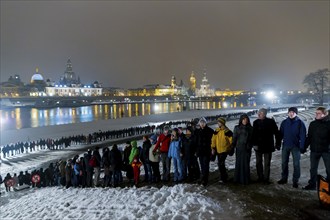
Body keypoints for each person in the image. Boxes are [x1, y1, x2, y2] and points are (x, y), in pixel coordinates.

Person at [277, 107, 306, 188]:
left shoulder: (300, 123)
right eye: (290, 112)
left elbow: (303, 135)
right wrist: (278, 144)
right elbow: (281, 134)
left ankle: (295, 181)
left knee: (296, 164)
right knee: (284, 163)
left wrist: (302, 146)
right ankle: (284, 178)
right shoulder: (284, 122)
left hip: (295, 146)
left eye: (293, 112)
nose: (291, 113)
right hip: (286, 145)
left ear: (296, 113)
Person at [302, 107, 330, 190]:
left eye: (318, 113)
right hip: (314, 150)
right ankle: (312, 184)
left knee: (329, 169)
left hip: (326, 151)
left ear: (324, 114)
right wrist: (304, 147)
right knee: (313, 169)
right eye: (316, 113)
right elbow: (309, 137)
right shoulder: (313, 124)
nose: (316, 115)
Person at [252, 108, 280, 184]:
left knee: (267, 163)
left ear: (264, 114)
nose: (258, 114)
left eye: (260, 113)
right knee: (258, 163)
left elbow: (277, 133)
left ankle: (266, 179)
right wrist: (254, 144)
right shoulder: (255, 122)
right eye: (258, 113)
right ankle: (260, 177)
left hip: (268, 146)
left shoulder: (271, 122)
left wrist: (277, 144)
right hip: (258, 146)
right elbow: (253, 135)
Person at [232, 114, 253, 185]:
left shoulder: (251, 128)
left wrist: (249, 145)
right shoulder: (237, 128)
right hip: (239, 148)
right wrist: (233, 146)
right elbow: (234, 138)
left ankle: (245, 179)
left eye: (246, 119)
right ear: (241, 120)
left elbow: (252, 139)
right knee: (239, 163)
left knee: (246, 164)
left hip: (247, 149)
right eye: (243, 119)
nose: (245, 121)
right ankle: (238, 179)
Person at [211, 117, 233, 183]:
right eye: (218, 122)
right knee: (220, 164)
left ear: (222, 123)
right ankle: (224, 176)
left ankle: (224, 178)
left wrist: (230, 148)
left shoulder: (227, 131)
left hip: (224, 151)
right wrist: (213, 148)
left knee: (221, 164)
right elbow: (213, 140)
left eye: (219, 122)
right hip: (218, 150)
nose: (218, 123)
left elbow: (232, 140)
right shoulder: (216, 131)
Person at [195, 117, 214, 186]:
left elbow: (213, 141)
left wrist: (212, 149)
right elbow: (196, 142)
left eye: (203, 123)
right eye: (201, 123)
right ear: (199, 124)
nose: (202, 124)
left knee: (206, 165)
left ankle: (205, 180)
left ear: (205, 123)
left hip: (207, 151)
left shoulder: (210, 131)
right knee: (202, 165)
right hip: (200, 152)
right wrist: (196, 151)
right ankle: (203, 178)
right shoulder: (197, 131)